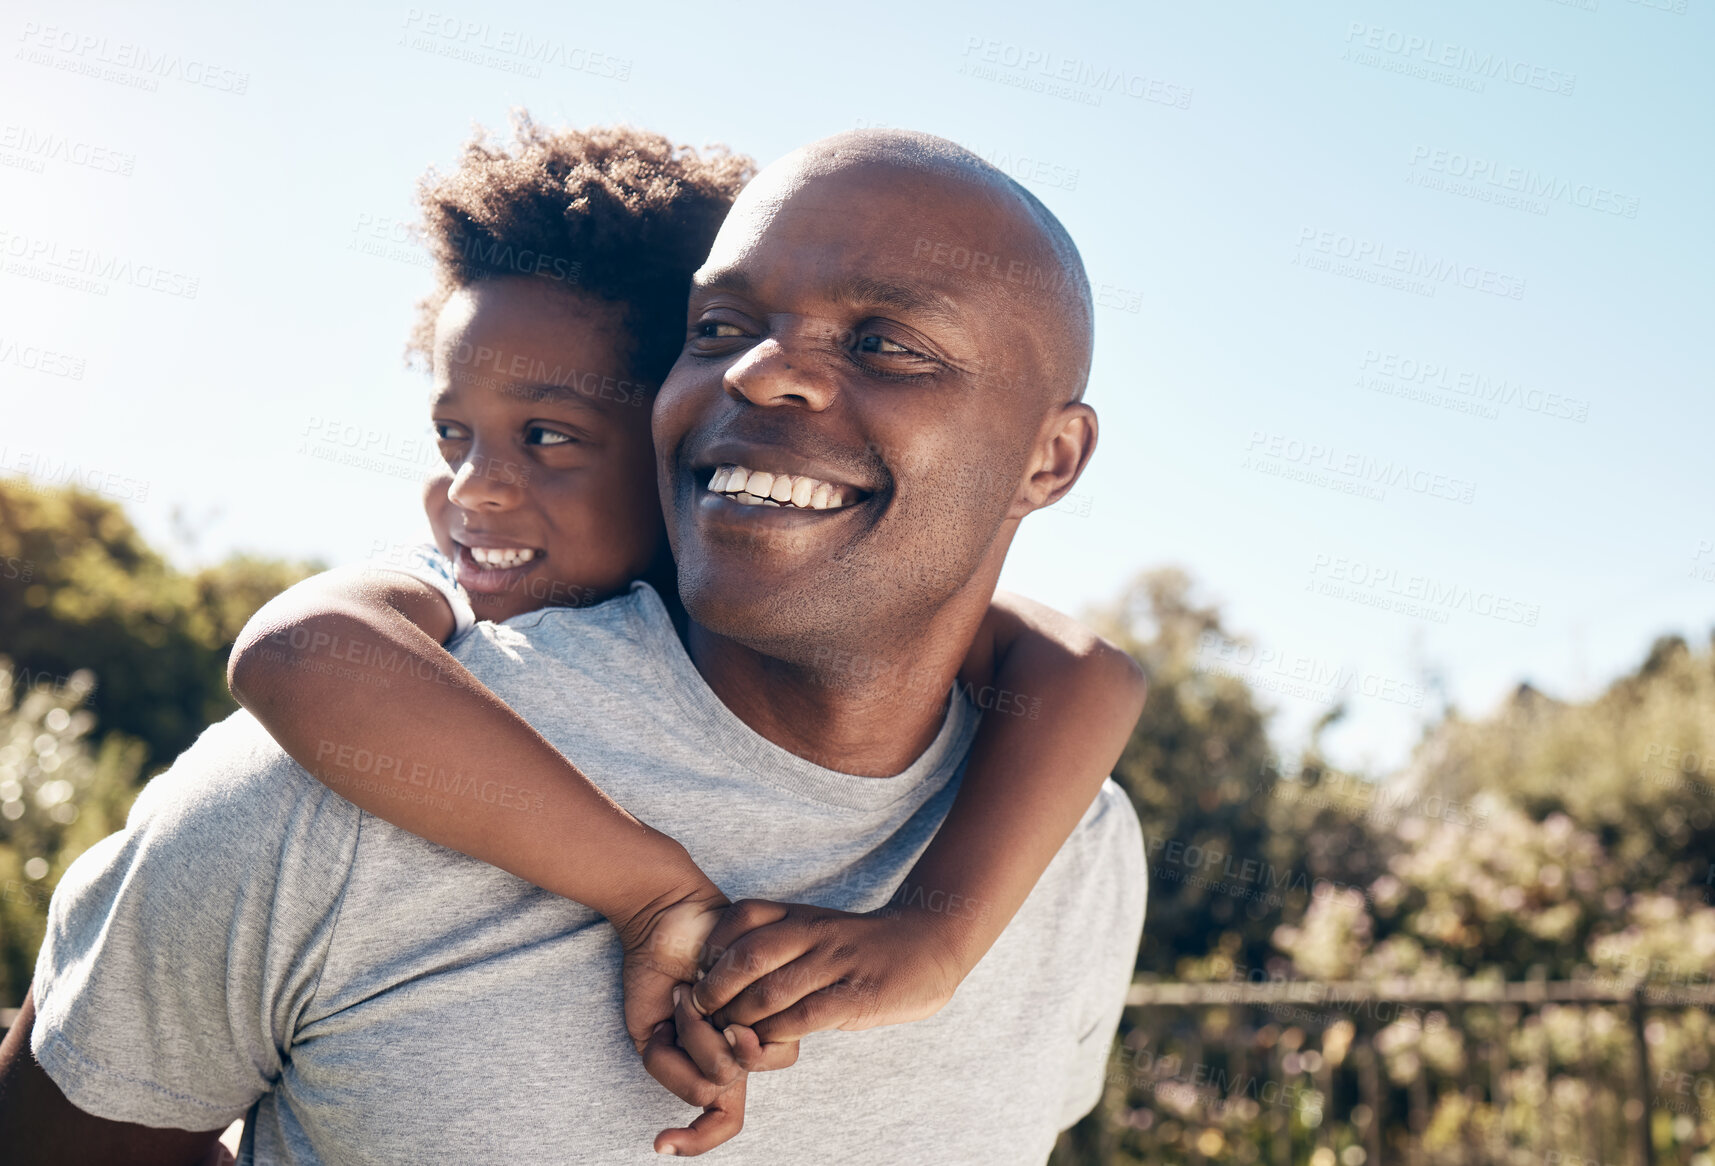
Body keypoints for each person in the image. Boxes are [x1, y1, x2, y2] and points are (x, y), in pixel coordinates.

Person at [0, 125, 1148, 1164]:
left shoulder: (1073, 844)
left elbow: (1087, 669)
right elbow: (300, 648)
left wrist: (935, 938)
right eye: (722, 328)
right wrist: (651, 892)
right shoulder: (337, 775)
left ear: (1050, 460)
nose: (760, 369)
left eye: (887, 341)